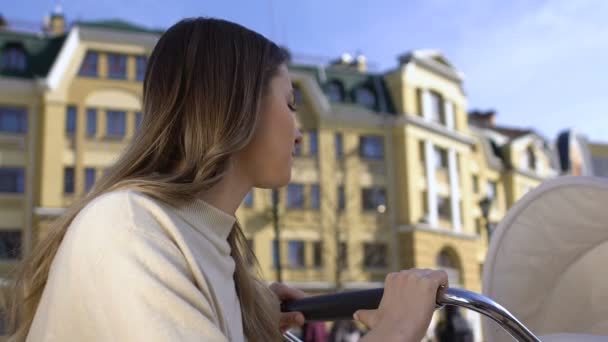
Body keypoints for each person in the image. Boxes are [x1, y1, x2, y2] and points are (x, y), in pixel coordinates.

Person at [5, 17, 448, 342]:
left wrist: (243, 316)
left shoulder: (202, 244)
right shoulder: (129, 228)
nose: (299, 132)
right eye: (291, 104)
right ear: (237, 107)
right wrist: (395, 330)